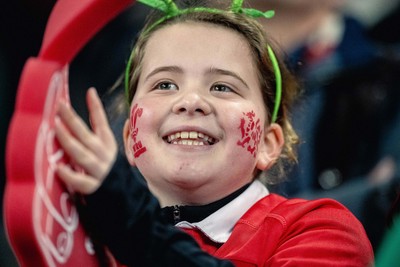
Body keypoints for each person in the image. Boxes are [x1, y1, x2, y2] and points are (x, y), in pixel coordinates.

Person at [54, 0, 373, 266]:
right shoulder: (78, 236)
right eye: (165, 84)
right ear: (128, 137)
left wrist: (134, 226)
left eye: (222, 86)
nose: (190, 101)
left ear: (267, 143)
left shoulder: (324, 230)